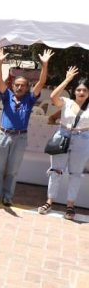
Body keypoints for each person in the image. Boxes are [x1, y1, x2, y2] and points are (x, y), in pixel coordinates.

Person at [0, 47, 52, 206]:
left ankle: (8, 197)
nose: (19, 87)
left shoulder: (30, 98)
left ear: (27, 87)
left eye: (22, 85)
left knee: (12, 171)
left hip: (20, 137)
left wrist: (44, 65)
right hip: (3, 135)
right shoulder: (7, 95)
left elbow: (42, 82)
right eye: (17, 85)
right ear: (13, 85)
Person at [38, 68, 89, 220]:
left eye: (85, 90)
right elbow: (54, 96)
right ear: (74, 91)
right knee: (56, 170)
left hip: (83, 140)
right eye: (79, 89)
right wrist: (67, 80)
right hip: (63, 136)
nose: (81, 92)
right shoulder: (66, 102)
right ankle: (49, 201)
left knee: (75, 173)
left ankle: (70, 205)